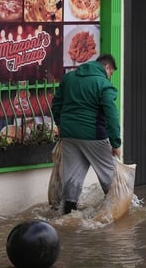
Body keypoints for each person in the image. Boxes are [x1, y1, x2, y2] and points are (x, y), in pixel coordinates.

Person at [51, 53, 122, 214]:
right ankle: (118, 213)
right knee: (111, 178)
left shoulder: (69, 78)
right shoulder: (103, 84)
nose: (110, 76)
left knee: (72, 178)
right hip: (94, 135)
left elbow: (56, 104)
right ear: (107, 67)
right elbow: (112, 114)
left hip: (69, 135)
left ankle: (68, 214)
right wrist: (116, 143)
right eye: (111, 73)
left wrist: (60, 124)